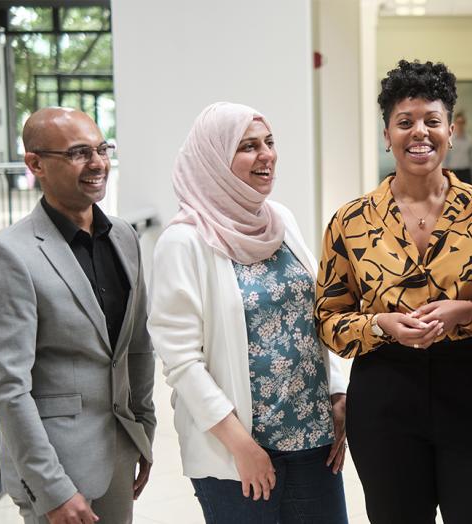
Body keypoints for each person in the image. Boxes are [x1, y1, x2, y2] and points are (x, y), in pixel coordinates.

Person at [315, 59, 472, 523]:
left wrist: (467, 314)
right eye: (405, 122)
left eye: (432, 121)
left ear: (451, 130)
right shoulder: (351, 221)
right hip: (384, 395)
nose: (420, 132)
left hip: (470, 390)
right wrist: (380, 325)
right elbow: (328, 319)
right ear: (386, 134)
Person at [148, 102, 349, 523]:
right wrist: (242, 447)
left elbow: (311, 318)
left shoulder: (280, 221)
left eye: (269, 143)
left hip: (313, 440)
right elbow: (183, 362)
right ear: (214, 159)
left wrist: (337, 394)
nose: (266, 155)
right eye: (248, 146)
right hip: (237, 452)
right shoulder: (184, 241)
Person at [0, 107, 155, 523]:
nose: (97, 163)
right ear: (35, 164)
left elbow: (137, 346)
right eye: (78, 153)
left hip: (119, 452)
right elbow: (8, 388)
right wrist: (52, 488)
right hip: (56, 470)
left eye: (101, 149)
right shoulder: (9, 255)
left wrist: (143, 432)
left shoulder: (124, 237)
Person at [443, 111, 472, 185]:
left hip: (466, 173)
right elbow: (445, 159)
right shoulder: (450, 140)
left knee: (467, 196)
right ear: (455, 124)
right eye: (458, 122)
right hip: (453, 173)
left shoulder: (470, 140)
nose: (460, 125)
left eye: (462, 122)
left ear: (465, 123)